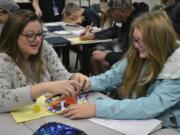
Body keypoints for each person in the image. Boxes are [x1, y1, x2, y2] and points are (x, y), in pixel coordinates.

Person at [64, 10, 180, 130]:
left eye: (139, 40)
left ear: (157, 40)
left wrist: (96, 109)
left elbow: (151, 105)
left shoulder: (176, 67)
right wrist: (85, 83)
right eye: (134, 40)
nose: (135, 45)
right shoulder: (139, 53)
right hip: (144, 123)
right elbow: (113, 76)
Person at [0, 9, 90, 113]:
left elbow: (60, 74)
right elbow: (2, 100)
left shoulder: (44, 48)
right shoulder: (3, 59)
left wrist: (73, 77)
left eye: (40, 34)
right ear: (13, 36)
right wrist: (44, 88)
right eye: (30, 35)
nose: (37, 40)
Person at [80, 0, 149, 75]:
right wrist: (94, 35)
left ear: (123, 11)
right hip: (124, 52)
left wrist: (107, 56)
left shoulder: (139, 24)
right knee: (94, 53)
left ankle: (108, 83)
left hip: (136, 60)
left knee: (99, 60)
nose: (109, 15)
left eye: (111, 12)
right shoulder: (126, 18)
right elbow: (114, 30)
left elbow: (135, 55)